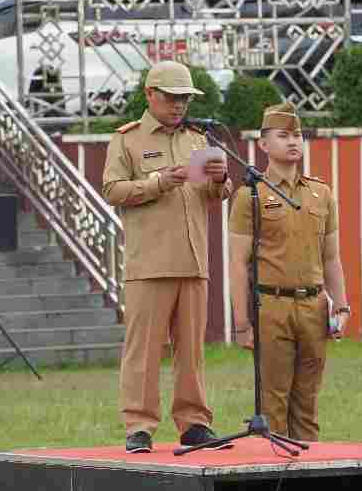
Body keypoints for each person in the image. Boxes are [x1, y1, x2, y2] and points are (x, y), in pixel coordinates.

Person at [102, 60, 233, 454]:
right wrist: (159, 182)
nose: (179, 106)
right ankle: (139, 427)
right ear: (150, 95)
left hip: (193, 263)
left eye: (185, 99)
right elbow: (112, 190)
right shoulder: (126, 141)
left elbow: (215, 196)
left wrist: (221, 179)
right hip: (150, 264)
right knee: (143, 351)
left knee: (191, 351)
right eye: (173, 98)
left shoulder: (197, 140)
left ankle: (194, 423)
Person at [228, 101, 350, 442]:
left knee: (307, 406)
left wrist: (341, 306)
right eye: (283, 136)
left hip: (313, 307)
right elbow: (237, 262)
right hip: (272, 307)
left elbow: (331, 257)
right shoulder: (250, 195)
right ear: (264, 144)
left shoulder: (321, 193)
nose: (293, 142)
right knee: (273, 406)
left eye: (298, 135)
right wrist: (241, 323)